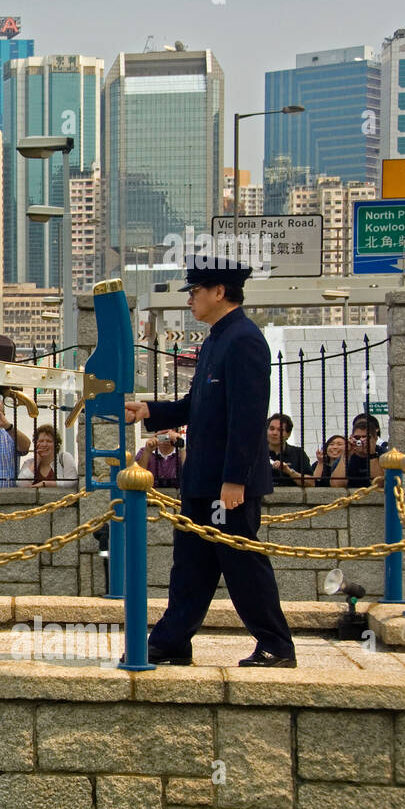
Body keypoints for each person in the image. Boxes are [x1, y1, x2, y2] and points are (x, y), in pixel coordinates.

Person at [123, 255, 296, 668]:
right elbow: (196, 405)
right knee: (191, 565)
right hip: (202, 479)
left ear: (220, 292)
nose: (190, 301)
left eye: (195, 292)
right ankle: (173, 640)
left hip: (227, 483)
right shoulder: (216, 340)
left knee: (242, 562)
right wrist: (148, 410)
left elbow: (247, 416)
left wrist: (235, 479)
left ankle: (276, 644)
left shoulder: (245, 340)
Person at [267, 413, 313, 487]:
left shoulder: (298, 453)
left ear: (288, 434)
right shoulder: (257, 453)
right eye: (271, 429)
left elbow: (311, 483)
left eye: (280, 430)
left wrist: (289, 471)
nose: (274, 433)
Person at [345, 414, 385, 488]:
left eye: (365, 437)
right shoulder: (348, 454)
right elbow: (337, 484)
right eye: (357, 437)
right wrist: (346, 455)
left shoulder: (383, 454)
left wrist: (372, 453)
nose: (361, 440)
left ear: (375, 439)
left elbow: (379, 484)